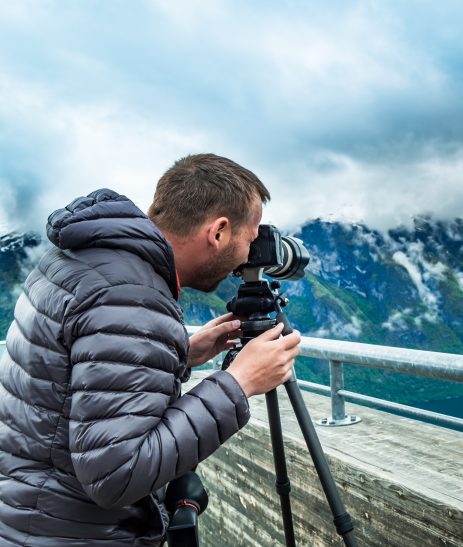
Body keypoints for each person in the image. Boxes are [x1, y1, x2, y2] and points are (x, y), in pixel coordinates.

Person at [0, 154, 301, 545]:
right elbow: (116, 475)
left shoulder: (84, 260)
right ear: (219, 232)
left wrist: (181, 353)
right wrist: (239, 382)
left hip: (30, 515)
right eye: (251, 236)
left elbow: (70, 375)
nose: (249, 253)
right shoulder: (133, 298)